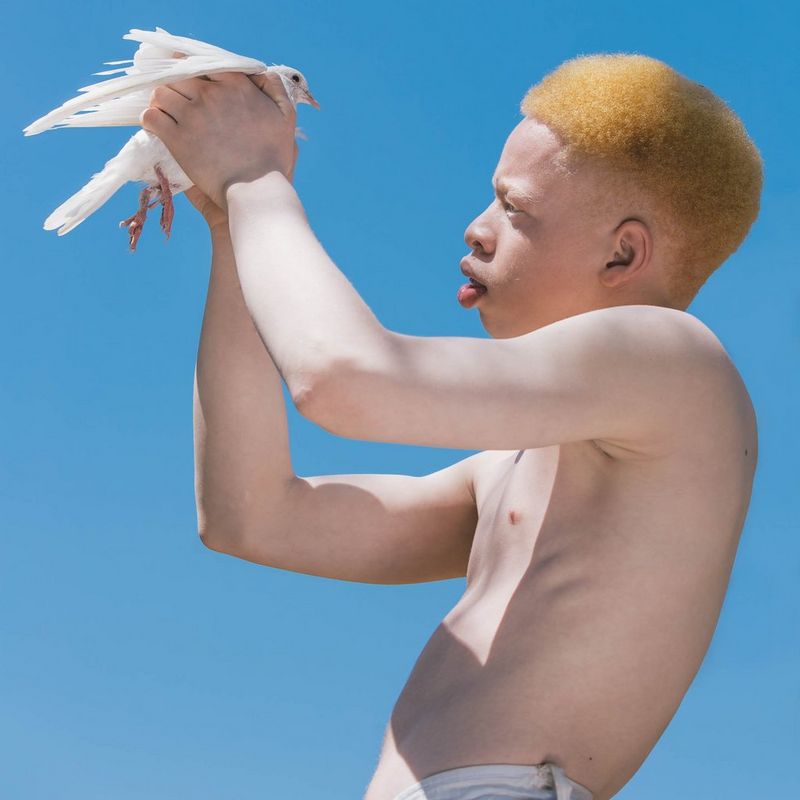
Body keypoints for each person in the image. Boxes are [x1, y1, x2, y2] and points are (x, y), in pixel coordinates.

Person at [141, 52, 762, 800]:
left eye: (514, 207)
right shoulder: (516, 463)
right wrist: (229, 223)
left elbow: (346, 380)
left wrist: (256, 181)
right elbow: (254, 517)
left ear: (623, 251)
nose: (477, 227)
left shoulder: (674, 358)